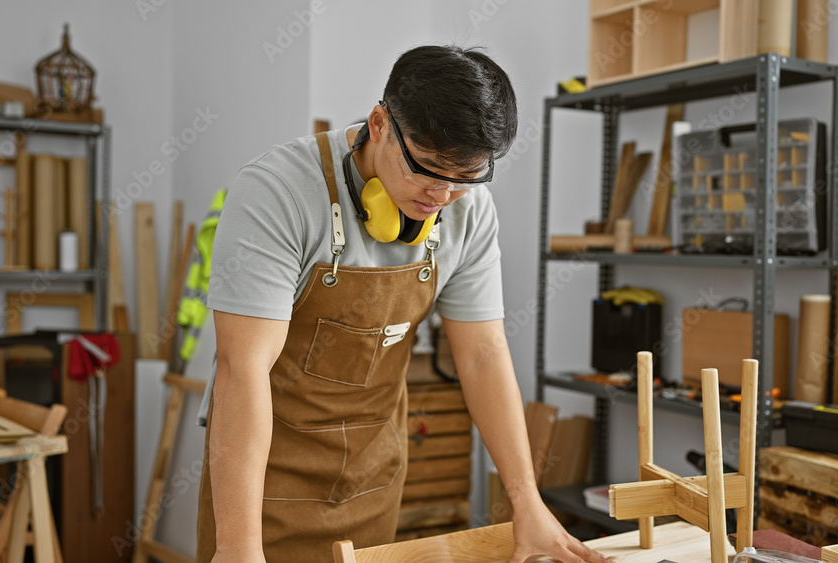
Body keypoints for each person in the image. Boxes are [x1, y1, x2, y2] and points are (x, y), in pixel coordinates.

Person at [195, 45, 608, 563]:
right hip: (263, 483)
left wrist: (526, 499)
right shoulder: (276, 192)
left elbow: (483, 353)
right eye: (428, 169)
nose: (442, 195)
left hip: (372, 477)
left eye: (466, 177)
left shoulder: (468, 208)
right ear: (380, 123)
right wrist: (238, 546)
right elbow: (243, 368)